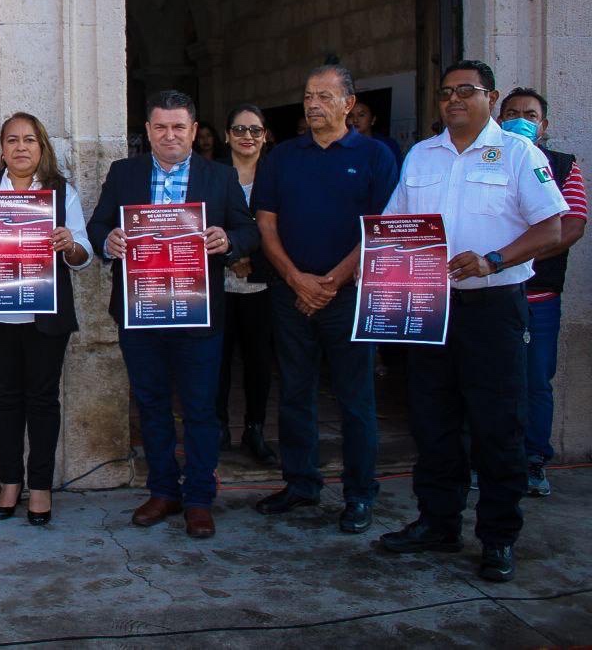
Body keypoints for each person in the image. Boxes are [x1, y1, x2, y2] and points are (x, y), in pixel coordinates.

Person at [379, 61, 566, 583]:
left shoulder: (517, 153)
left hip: (493, 306)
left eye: (466, 91)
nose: (454, 100)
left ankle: (498, 538)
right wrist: (378, 279)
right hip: (430, 309)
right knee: (433, 422)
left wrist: (493, 260)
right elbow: (396, 227)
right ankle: (438, 523)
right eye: (446, 92)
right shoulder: (421, 155)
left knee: (496, 426)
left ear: (491, 96)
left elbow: (551, 228)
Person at [88, 90, 259, 538]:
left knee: (202, 409)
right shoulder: (123, 173)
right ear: (147, 131)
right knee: (151, 405)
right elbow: (97, 224)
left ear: (194, 131)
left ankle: (199, 497)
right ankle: (163, 490)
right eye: (160, 127)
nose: (169, 135)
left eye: (178, 127)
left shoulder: (219, 178)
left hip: (198, 313)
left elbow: (248, 229)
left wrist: (229, 240)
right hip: (140, 310)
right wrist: (109, 242)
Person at [250, 64, 397, 534]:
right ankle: (300, 483)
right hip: (291, 295)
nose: (313, 104)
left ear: (349, 103)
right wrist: (296, 279)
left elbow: (381, 229)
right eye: (309, 96)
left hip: (349, 295)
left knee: (356, 400)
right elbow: (266, 224)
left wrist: (331, 281)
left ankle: (359, 494)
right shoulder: (282, 157)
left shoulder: (376, 156)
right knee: (294, 393)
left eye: (325, 96)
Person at [0, 112, 93, 525]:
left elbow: (82, 256)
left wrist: (70, 245)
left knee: (44, 401)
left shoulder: (61, 194)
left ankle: (41, 488)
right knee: (6, 399)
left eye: (29, 139)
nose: (21, 147)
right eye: (12, 140)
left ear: (41, 147)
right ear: (2, 148)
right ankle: (10, 482)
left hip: (46, 316)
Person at [498, 87, 587, 497]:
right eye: (512, 112)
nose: (520, 119)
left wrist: (513, 256)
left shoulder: (564, 166)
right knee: (488, 380)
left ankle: (534, 461)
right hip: (491, 294)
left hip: (538, 296)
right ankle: (490, 460)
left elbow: (571, 226)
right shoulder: (487, 159)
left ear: (544, 124)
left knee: (536, 381)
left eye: (529, 114)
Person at [216, 104, 277, 464]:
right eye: (239, 130)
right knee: (217, 361)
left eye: (255, 130)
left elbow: (286, 228)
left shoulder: (276, 176)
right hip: (219, 282)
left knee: (258, 361)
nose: (247, 137)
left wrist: (254, 261)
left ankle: (255, 428)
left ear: (265, 135)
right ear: (227, 135)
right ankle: (219, 427)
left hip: (264, 284)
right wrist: (230, 257)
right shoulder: (212, 175)